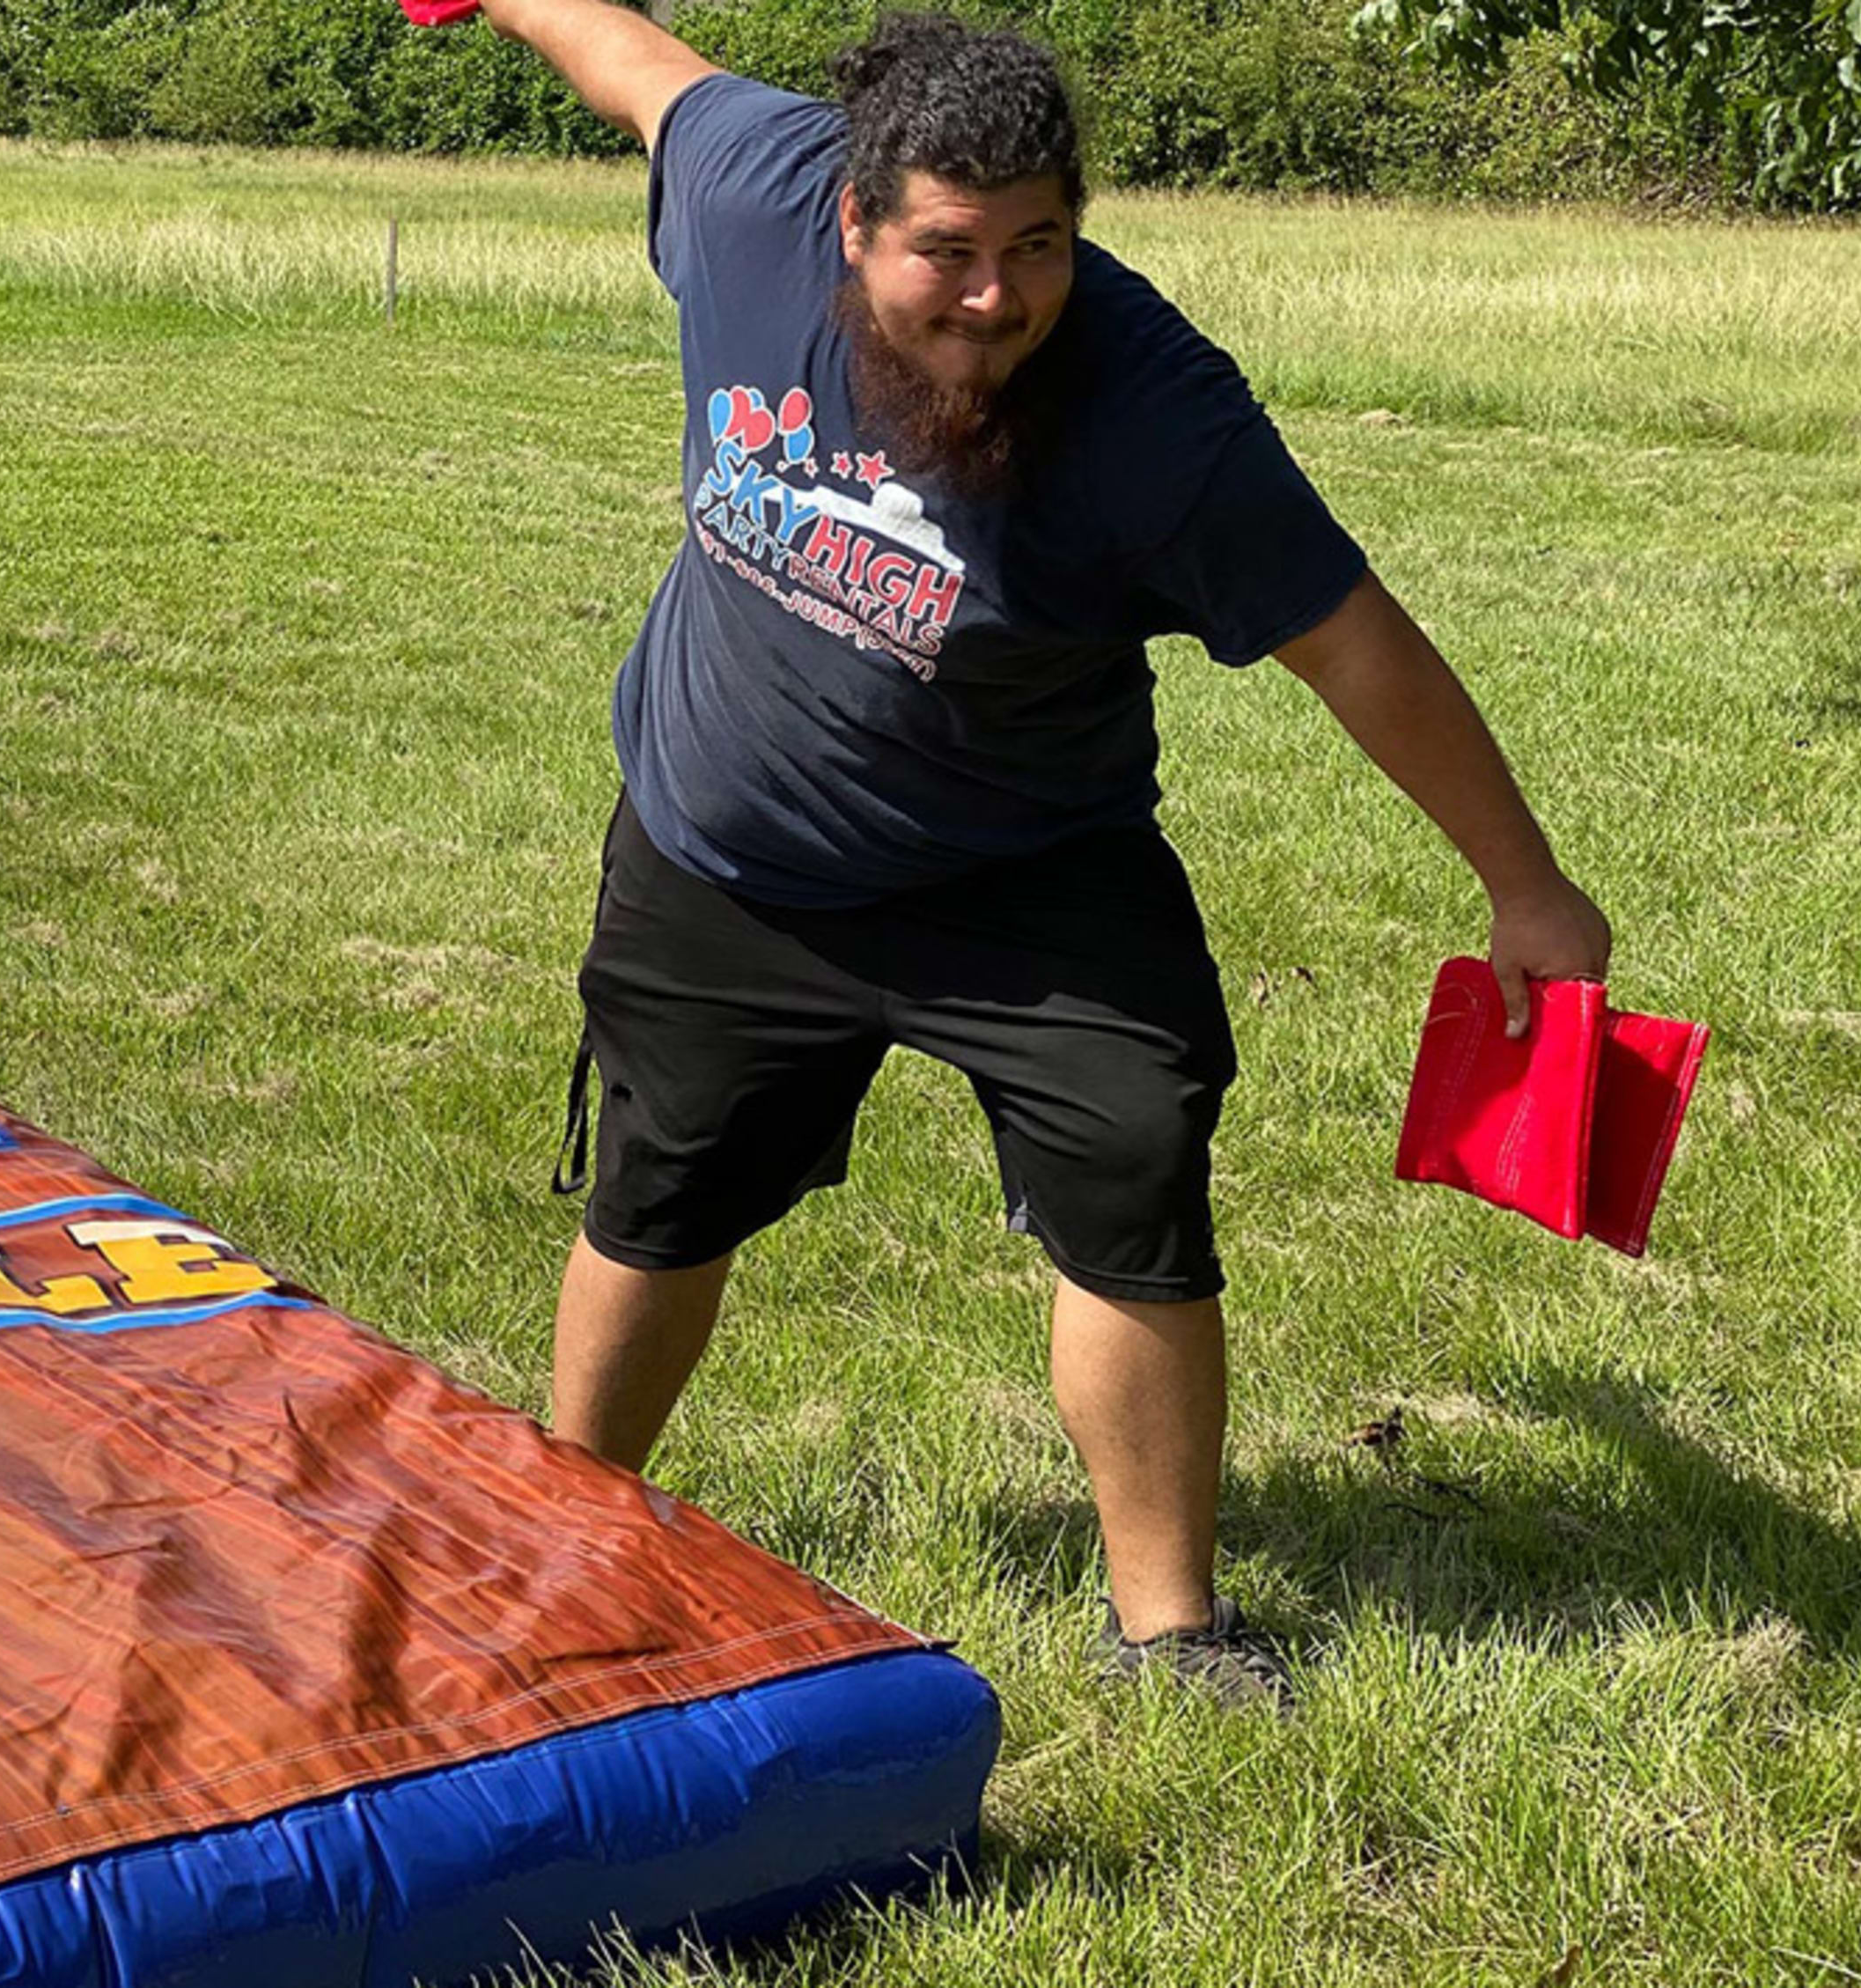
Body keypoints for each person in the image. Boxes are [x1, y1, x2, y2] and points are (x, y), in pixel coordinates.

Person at [469, 1, 1615, 1706]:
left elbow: (1356, 646)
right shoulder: (745, 191)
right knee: (664, 1190)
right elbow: (626, 59)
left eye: (1039, 247)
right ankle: (576, 1520)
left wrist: (1525, 885)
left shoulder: (1157, 418)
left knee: (1136, 1176)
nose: (996, 297)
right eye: (948, 251)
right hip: (733, 841)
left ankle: (1173, 1628)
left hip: (1031, 861)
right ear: (850, 220)